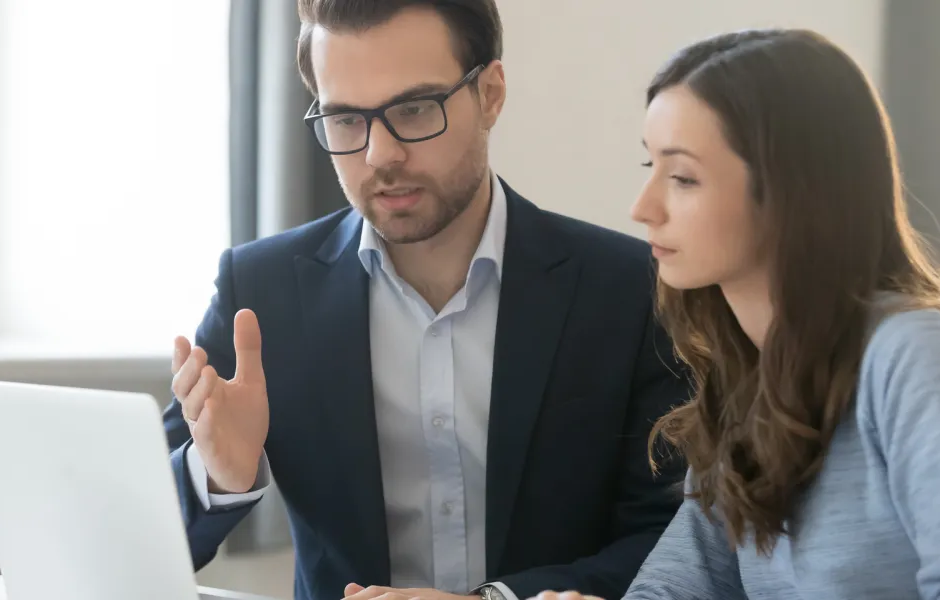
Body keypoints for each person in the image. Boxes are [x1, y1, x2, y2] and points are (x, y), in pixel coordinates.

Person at [161, 2, 691, 600]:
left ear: (490, 94)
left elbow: (676, 539)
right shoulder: (261, 293)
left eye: (413, 110)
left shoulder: (627, 289)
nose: (379, 154)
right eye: (344, 120)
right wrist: (220, 477)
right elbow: (142, 528)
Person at [536, 28, 940, 600]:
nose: (643, 208)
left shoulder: (915, 357)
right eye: (650, 166)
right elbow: (680, 586)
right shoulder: (747, 381)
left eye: (683, 177)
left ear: (791, 192)